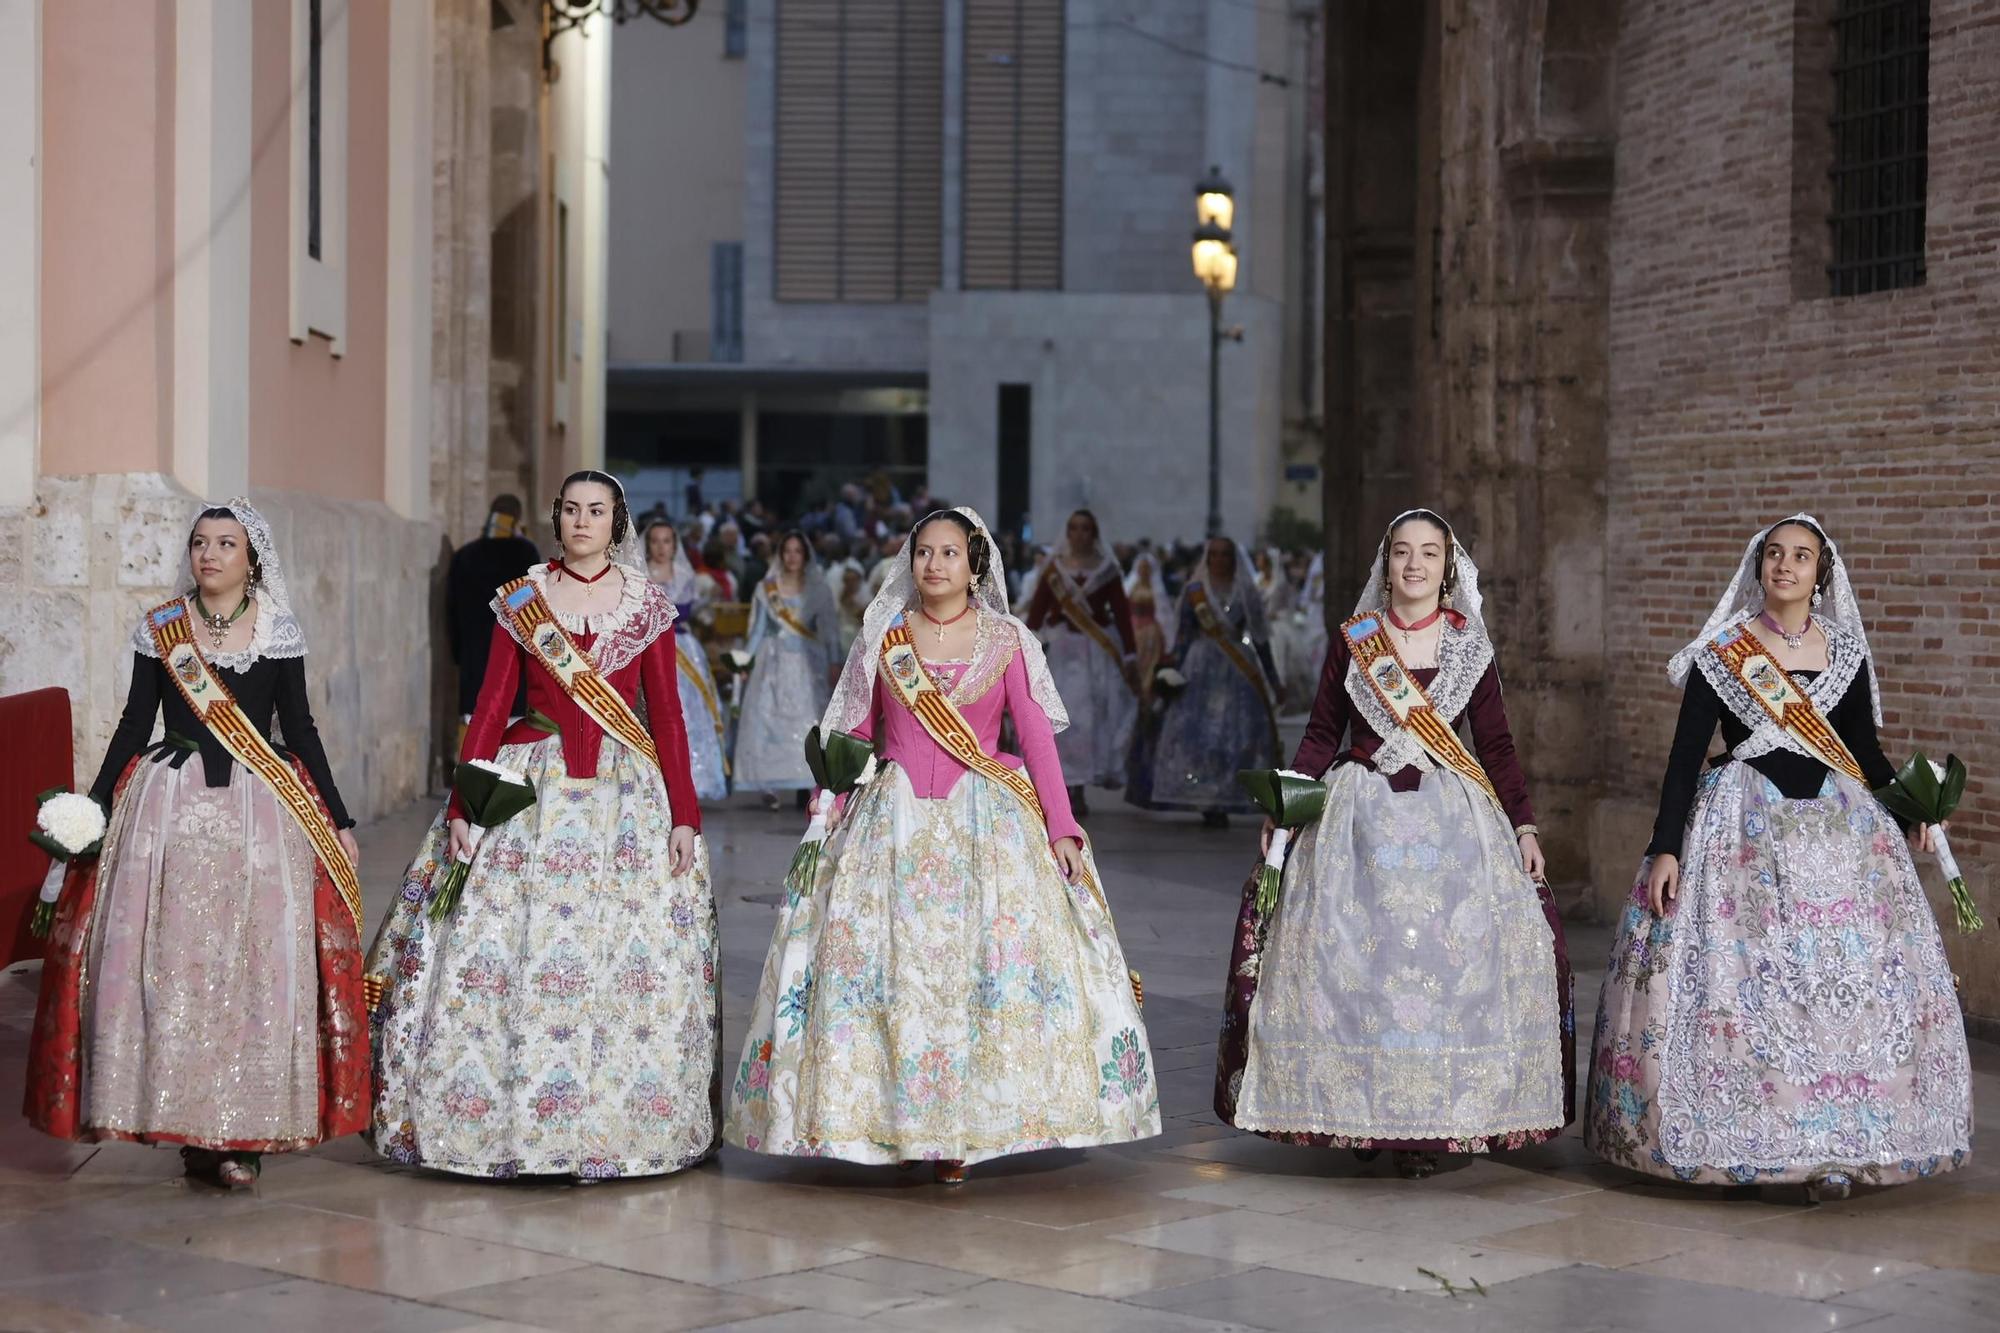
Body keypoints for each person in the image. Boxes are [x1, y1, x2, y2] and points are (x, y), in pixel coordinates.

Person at [727, 507, 1159, 1182]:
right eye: (924, 552)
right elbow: (857, 736)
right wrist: (829, 804)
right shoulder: (884, 637)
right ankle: (891, 1121)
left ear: (975, 563)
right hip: (890, 824)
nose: (934, 565)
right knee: (887, 975)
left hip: (985, 823)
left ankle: (962, 1133)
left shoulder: (1009, 640)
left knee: (979, 973)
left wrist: (1063, 826)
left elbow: (1036, 739)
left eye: (949, 553)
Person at [1585, 515, 1971, 1199]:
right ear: (1758, 566)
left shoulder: (1845, 652)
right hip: (1740, 832)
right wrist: (1667, 846)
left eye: (1801, 557)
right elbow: (1681, 762)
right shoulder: (1724, 651)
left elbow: (1865, 754)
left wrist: (1914, 809)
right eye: (1774, 554)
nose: (1785, 566)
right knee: (1751, 981)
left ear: (1820, 574)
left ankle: (1838, 1145)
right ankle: (1757, 1142)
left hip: (1838, 830)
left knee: (1834, 983)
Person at [366, 471, 718, 1179]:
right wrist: (467, 805)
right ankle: (510, 1122)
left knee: (624, 957)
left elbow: (669, 719)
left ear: (616, 521)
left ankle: (609, 1127)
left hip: (624, 796)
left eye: (597, 511)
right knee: (507, 948)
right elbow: (491, 707)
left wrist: (684, 813)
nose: (583, 521)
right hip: (529, 788)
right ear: (556, 518)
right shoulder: (522, 600)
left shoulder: (647, 606)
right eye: (572, 510)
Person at [1214, 510, 1568, 1179]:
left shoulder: (1469, 646)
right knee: (1353, 966)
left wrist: (1523, 824)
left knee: (1444, 965)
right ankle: (1363, 1115)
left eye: (1428, 554)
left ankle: (1431, 1124)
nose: (1414, 565)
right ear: (1385, 564)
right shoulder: (1356, 641)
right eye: (1402, 552)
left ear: (1447, 566)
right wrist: (1285, 806)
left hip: (1453, 822)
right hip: (1359, 819)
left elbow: (1494, 745)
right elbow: (1321, 733)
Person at [25, 500, 365, 1189]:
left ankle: (244, 1131)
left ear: (252, 558)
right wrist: (91, 809)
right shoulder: (161, 629)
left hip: (260, 815)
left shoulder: (278, 630)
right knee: (175, 969)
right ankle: (186, 1127)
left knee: (254, 965)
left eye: (225, 543)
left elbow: (300, 728)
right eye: (200, 542)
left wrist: (338, 816)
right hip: (169, 813)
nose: (209, 554)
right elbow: (131, 723)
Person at [1150, 536, 1282, 826]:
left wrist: (1273, 680)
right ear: (1207, 559)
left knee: (1236, 734)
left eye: (1226, 555)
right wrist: (1171, 672)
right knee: (1202, 734)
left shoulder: (1247, 591)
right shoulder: (1194, 591)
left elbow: (1260, 640)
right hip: (1200, 667)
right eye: (1215, 555)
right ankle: (1207, 797)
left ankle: (1227, 794)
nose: (1221, 560)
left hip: (1238, 669)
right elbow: (1183, 636)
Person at [1024, 510, 1139, 813]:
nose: (1079, 534)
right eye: (1074, 528)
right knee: (1065, 715)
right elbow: (1037, 611)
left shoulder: (1107, 569)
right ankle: (1069, 784)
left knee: (1093, 717)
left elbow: (1122, 614)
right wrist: (1027, 647)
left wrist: (1130, 653)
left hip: (1096, 651)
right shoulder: (1054, 569)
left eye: (1086, 528)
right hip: (1063, 651)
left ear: (1094, 533)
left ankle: (1083, 783)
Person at [734, 530, 840, 809]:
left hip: (808, 663)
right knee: (767, 719)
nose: (793, 557)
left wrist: (835, 661)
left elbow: (830, 631)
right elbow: (757, 630)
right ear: (780, 555)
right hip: (773, 662)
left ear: (805, 555)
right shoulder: (766, 588)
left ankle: (806, 780)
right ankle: (769, 783)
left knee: (808, 720)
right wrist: (745, 660)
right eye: (788, 551)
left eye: (798, 551)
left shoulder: (818, 589)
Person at [644, 518, 729, 801]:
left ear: (675, 545)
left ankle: (695, 777)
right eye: (655, 541)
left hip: (684, 647)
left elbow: (693, 613)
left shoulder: (685, 574)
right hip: (651, 647)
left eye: (666, 541)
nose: (661, 547)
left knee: (690, 709)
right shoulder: (638, 574)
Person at [446, 494, 542, 722]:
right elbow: (533, 611)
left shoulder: (464, 556)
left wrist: (458, 654)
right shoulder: (525, 553)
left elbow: (452, 613)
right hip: (514, 662)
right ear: (517, 518)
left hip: (474, 662)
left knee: (476, 730)